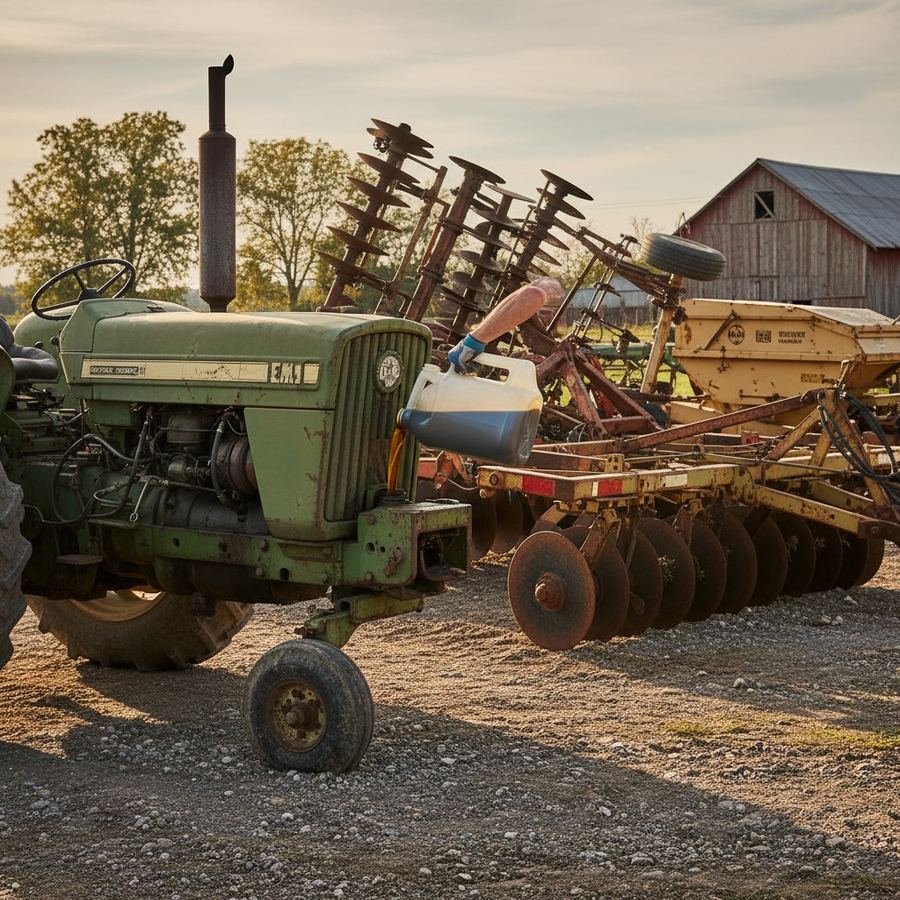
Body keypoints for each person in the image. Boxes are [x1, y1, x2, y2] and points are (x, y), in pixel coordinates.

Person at [447, 276, 565, 374]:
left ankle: (469, 346)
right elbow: (533, 294)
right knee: (538, 291)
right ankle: (468, 347)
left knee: (538, 290)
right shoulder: (536, 293)